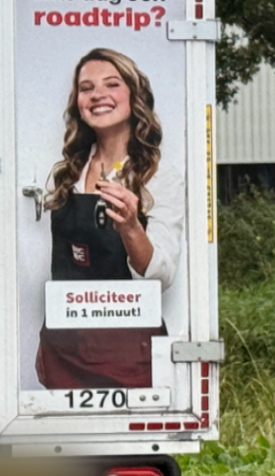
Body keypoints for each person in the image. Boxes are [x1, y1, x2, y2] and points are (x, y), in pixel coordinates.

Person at [35, 47, 182, 390]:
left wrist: (131, 226)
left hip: (127, 353)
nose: (98, 95)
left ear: (135, 96)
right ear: (78, 104)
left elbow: (160, 274)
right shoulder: (66, 175)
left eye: (112, 84)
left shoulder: (158, 177)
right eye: (87, 88)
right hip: (64, 347)